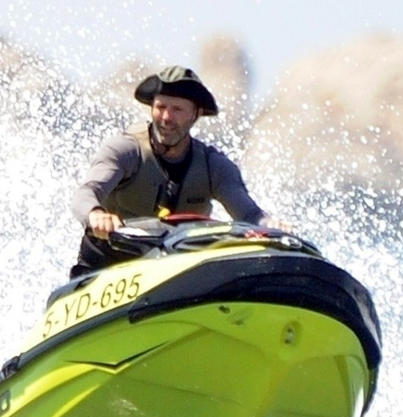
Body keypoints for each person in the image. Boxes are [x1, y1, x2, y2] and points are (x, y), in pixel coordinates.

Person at [69, 65, 278, 277]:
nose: (167, 117)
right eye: (160, 107)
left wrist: (271, 226)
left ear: (195, 115)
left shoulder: (214, 166)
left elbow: (250, 215)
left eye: (177, 109)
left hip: (177, 272)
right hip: (109, 265)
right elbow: (84, 194)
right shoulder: (126, 150)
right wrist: (95, 214)